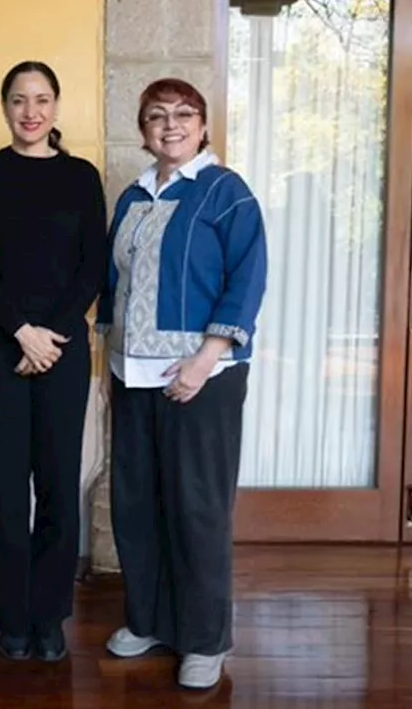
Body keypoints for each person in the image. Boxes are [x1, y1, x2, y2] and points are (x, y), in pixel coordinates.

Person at [96, 78, 267, 690]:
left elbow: (247, 280)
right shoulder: (132, 198)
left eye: (183, 115)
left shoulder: (226, 193)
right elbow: (114, 287)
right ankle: (148, 620)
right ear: (143, 130)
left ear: (203, 126)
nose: (170, 126)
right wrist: (108, 365)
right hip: (133, 376)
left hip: (202, 378)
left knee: (197, 508)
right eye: (157, 116)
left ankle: (203, 638)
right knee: (137, 505)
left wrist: (205, 359)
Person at [0, 61, 108, 662]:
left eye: (42, 99)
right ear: (5, 107)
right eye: (19, 100)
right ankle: (14, 619)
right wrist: (21, 333)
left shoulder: (80, 177)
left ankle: (50, 617)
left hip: (63, 352)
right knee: (9, 494)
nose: (31, 111)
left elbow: (91, 267)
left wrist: (48, 337)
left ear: (56, 107)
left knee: (58, 488)